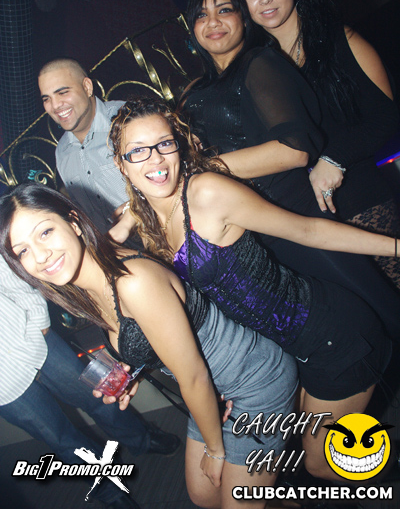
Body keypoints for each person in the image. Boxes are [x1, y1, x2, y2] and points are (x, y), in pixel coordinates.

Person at [109, 97, 396, 480]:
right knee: (304, 455)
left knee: (321, 462)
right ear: (121, 163)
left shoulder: (207, 193)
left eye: (164, 144)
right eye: (138, 151)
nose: (156, 159)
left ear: (178, 144)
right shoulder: (147, 226)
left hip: (330, 333)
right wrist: (137, 367)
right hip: (286, 353)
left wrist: (396, 247)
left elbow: (308, 230)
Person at [0, 184, 299, 509]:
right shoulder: (83, 288)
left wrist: (216, 450)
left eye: (45, 232)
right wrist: (134, 372)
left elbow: (194, 376)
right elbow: (157, 336)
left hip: (255, 379)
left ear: (73, 222)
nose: (40, 256)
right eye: (22, 251)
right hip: (216, 387)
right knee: (204, 496)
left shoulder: (133, 282)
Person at [177, 0, 400, 324]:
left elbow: (294, 150)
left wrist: (206, 169)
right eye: (202, 15)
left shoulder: (259, 63)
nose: (213, 22)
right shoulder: (194, 91)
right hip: (257, 243)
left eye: (225, 10)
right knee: (342, 338)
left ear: (243, 17)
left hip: (301, 222)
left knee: (379, 316)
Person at [228, 0, 400, 288]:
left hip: (361, 204)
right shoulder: (254, 68)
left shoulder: (341, 41)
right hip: (306, 226)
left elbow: (387, 115)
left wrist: (335, 159)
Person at [0, 255, 181, 509]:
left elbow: (11, 278)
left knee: (97, 396)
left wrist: (40, 321)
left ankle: (141, 439)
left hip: (32, 338)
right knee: (60, 438)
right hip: (4, 384)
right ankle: (109, 491)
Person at [38, 58, 129, 235]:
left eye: (62, 92)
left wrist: (134, 209)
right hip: (112, 249)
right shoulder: (62, 151)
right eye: (47, 99)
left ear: (87, 87)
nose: (55, 106)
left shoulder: (127, 120)